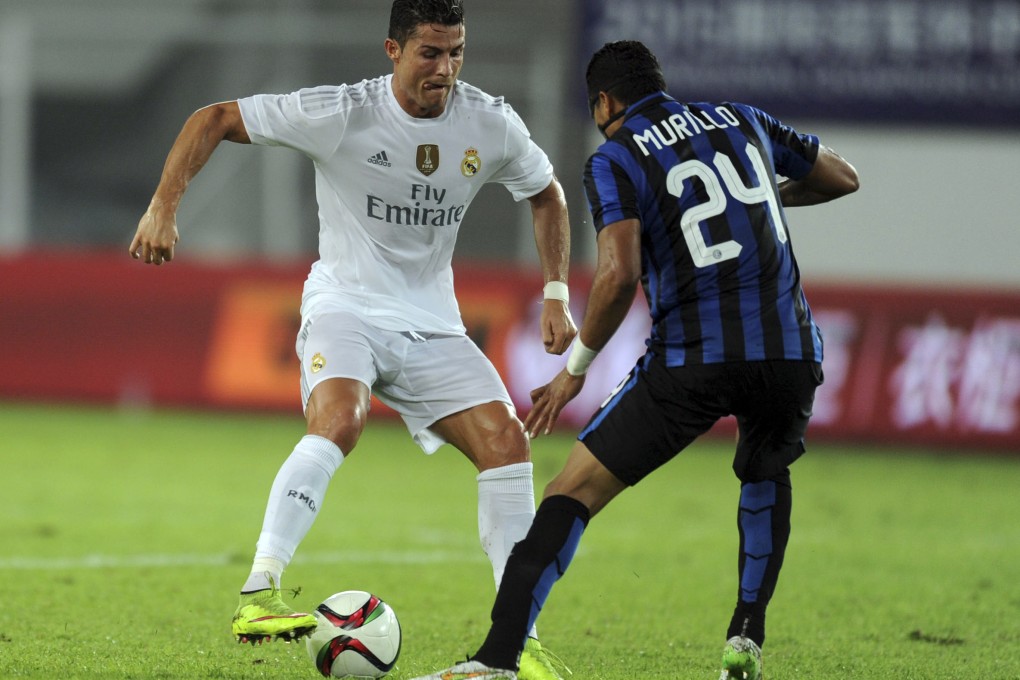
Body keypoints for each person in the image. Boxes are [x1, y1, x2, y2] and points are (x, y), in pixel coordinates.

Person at [128, 2, 577, 678]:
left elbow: (547, 194)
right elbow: (213, 118)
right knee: (340, 420)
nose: (446, 69)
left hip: (432, 323)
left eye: (456, 52)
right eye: (430, 52)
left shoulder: (490, 122)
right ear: (392, 49)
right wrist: (163, 206)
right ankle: (259, 591)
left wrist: (555, 292)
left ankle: (520, 639)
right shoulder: (340, 113)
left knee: (507, 445)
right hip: (346, 308)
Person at [413, 39, 860, 680]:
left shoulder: (616, 159)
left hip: (693, 359)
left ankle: (496, 660)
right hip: (789, 351)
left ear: (604, 102)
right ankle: (745, 634)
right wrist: (762, 194)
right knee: (765, 474)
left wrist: (574, 371)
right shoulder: (744, 119)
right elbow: (843, 176)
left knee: (571, 492)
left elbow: (619, 273)